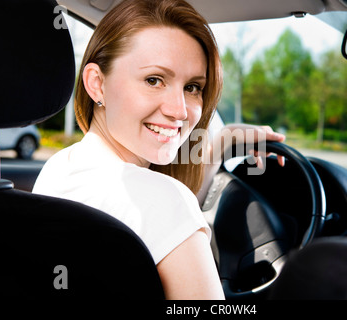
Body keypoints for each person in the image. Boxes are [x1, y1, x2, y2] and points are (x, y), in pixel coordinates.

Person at [33, 0, 284, 299]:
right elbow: (163, 208)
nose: (179, 111)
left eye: (192, 87)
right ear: (97, 84)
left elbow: (156, 212)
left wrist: (221, 144)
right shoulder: (167, 202)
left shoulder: (60, 169)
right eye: (154, 80)